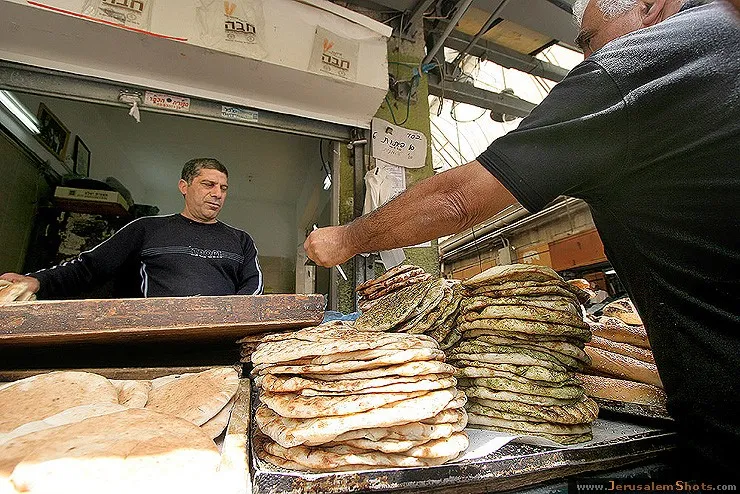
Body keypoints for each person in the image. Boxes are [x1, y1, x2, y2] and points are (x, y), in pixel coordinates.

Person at [305, 0, 739, 480]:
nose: (587, 58)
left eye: (589, 40)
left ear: (649, 6)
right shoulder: (724, 39)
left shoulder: (636, 65)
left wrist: (346, 238)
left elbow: (458, 201)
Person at [0, 158, 263, 302]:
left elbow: (253, 287)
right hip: (160, 339)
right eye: (208, 185)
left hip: (224, 342)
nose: (217, 193)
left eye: (223, 188)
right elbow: (89, 267)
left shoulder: (240, 240)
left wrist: (226, 315)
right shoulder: (147, 228)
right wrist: (37, 281)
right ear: (184, 187)